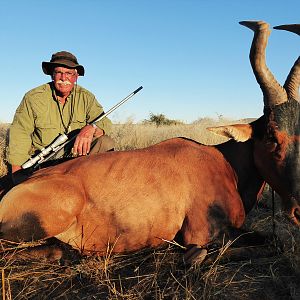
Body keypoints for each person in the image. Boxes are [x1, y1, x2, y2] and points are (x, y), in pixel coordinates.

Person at [7, 51, 115, 175]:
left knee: (105, 142)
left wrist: (92, 128)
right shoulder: (33, 97)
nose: (64, 78)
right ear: (52, 75)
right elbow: (20, 132)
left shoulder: (86, 97)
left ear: (76, 76)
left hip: (77, 156)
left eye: (69, 73)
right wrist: (17, 174)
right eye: (59, 72)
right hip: (46, 161)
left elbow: (106, 123)